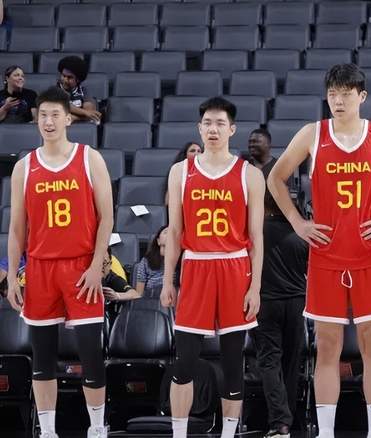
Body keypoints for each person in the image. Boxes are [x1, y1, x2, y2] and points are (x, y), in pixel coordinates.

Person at [268, 63, 371, 438]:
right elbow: (275, 178)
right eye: (332, 93)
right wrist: (298, 222)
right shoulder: (312, 134)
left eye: (346, 93)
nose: (338, 100)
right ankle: (325, 432)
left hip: (369, 254)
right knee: (327, 346)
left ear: (361, 96)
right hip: (326, 255)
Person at [6, 86, 113, 438]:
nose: (48, 121)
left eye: (55, 114)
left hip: (81, 267)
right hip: (40, 268)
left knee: (90, 354)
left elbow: (107, 218)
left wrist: (96, 266)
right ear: (37, 119)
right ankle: (48, 431)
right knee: (42, 356)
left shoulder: (89, 158)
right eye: (43, 115)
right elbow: (17, 230)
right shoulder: (24, 167)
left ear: (68, 118)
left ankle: (96, 428)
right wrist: (12, 279)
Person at [161, 97, 264, 438]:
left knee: (233, 360)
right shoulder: (181, 171)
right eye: (207, 123)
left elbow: (256, 238)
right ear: (199, 128)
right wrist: (168, 280)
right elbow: (175, 232)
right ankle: (179, 433)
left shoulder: (250, 174)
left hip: (235, 267)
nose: (213, 129)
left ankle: (229, 433)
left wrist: (255, 287)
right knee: (185, 360)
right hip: (196, 266)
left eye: (220, 123)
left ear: (232, 129)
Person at [251, 194, 308, 438]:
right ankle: (289, 418)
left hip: (265, 302)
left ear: (264, 205)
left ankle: (280, 422)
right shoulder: (301, 232)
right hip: (296, 303)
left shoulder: (257, 231)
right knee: (292, 362)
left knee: (269, 361)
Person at [57, 56, 101, 124]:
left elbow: (89, 112)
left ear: (78, 79)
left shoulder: (83, 91)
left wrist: (74, 118)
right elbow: (64, 105)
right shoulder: (54, 90)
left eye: (69, 77)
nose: (65, 80)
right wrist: (84, 113)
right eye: (63, 76)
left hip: (81, 128)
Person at [133, 226, 168, 299]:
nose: (170, 235)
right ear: (158, 241)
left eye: (172, 233)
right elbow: (139, 294)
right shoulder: (146, 261)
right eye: (166, 232)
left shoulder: (183, 260)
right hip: (151, 299)